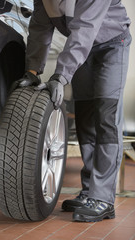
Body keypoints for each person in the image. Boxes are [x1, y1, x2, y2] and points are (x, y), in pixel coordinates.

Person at [19, 0, 132, 222]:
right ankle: (90, 191)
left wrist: (61, 75)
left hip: (111, 45)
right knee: (85, 119)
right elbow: (41, 27)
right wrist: (32, 70)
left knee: (105, 118)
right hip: (83, 49)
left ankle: (104, 199)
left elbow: (85, 28)